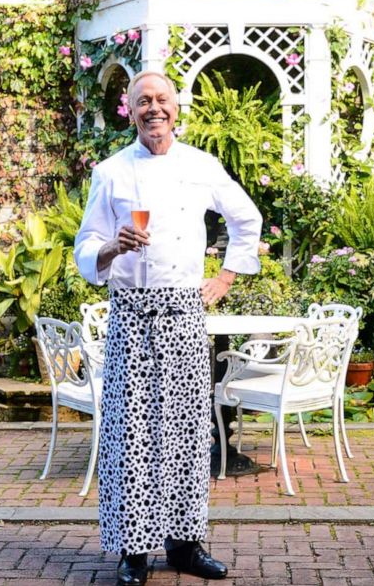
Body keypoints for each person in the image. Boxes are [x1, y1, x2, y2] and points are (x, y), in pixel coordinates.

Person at [74, 70, 261, 586]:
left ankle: (184, 545)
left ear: (177, 107)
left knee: (185, 431)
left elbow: (247, 220)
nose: (153, 109)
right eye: (142, 102)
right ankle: (134, 551)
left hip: (183, 312)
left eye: (161, 100)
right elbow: (85, 245)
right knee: (131, 431)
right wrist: (113, 246)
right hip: (131, 312)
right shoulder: (110, 172)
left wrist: (225, 277)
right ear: (129, 112)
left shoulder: (203, 166)